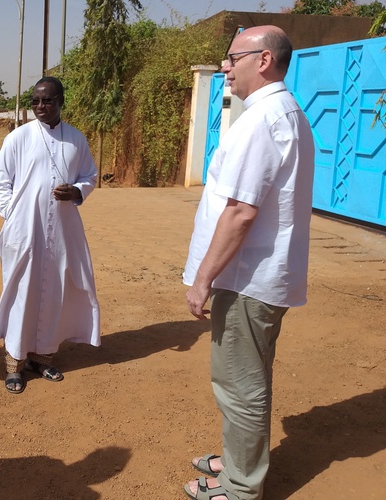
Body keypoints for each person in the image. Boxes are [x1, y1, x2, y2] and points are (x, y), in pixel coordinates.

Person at [183, 26, 315, 500]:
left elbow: (240, 212)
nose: (224, 66)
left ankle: (241, 487)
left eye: (232, 57)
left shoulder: (262, 121)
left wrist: (202, 280)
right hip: (256, 275)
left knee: (240, 384)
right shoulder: (283, 112)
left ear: (262, 61)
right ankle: (236, 461)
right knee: (243, 377)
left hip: (247, 279)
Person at [0, 76, 100, 394]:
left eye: (47, 100)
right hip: (24, 231)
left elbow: (90, 175)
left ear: (60, 101)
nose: (40, 106)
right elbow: (0, 178)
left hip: (62, 231)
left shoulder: (77, 139)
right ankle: (14, 363)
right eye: (35, 101)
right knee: (21, 291)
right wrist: (13, 213)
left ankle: (43, 356)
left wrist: (76, 190)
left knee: (55, 290)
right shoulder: (19, 138)